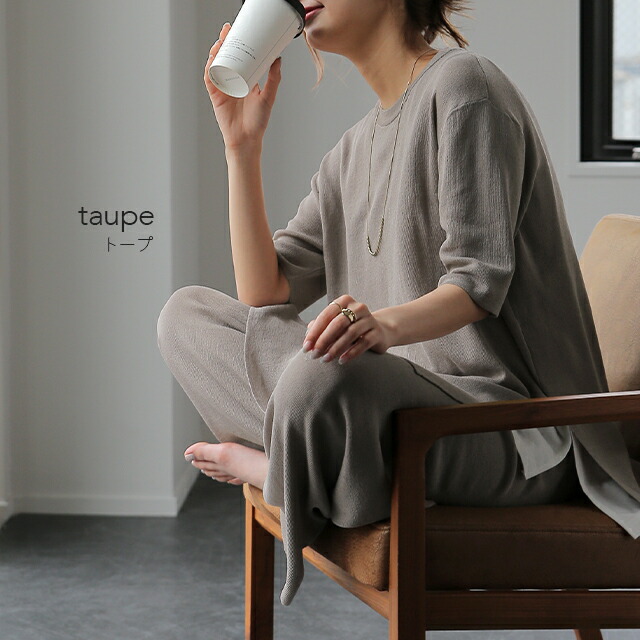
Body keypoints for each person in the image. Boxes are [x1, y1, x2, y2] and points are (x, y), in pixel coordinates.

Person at [157, 0, 640, 607]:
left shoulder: (466, 87)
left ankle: (282, 468)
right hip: (391, 416)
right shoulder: (349, 151)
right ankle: (310, 462)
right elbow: (264, 292)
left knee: (320, 373)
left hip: (507, 431)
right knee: (187, 318)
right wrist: (241, 146)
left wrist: (380, 327)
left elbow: (479, 281)